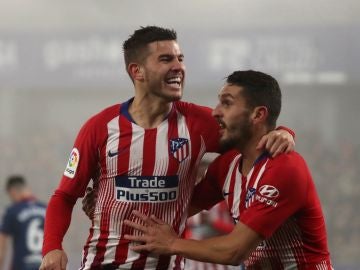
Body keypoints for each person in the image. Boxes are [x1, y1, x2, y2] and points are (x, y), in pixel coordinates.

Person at [40, 26, 295, 270]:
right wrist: (52, 247)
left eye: (180, 58)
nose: (179, 67)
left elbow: (252, 131)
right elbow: (64, 196)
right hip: (104, 264)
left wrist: (284, 133)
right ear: (137, 71)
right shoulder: (100, 128)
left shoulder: (198, 123)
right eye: (166, 59)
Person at [123, 70, 334, 269]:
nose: (215, 112)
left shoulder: (284, 168)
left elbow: (234, 251)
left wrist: (171, 243)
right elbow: (176, 209)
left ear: (258, 114)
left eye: (227, 103)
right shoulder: (228, 163)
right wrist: (113, 201)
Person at [0, 175, 46, 270]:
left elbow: (2, 244)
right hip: (45, 265)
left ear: (12, 192)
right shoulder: (46, 209)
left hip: (21, 266)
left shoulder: (12, 211)